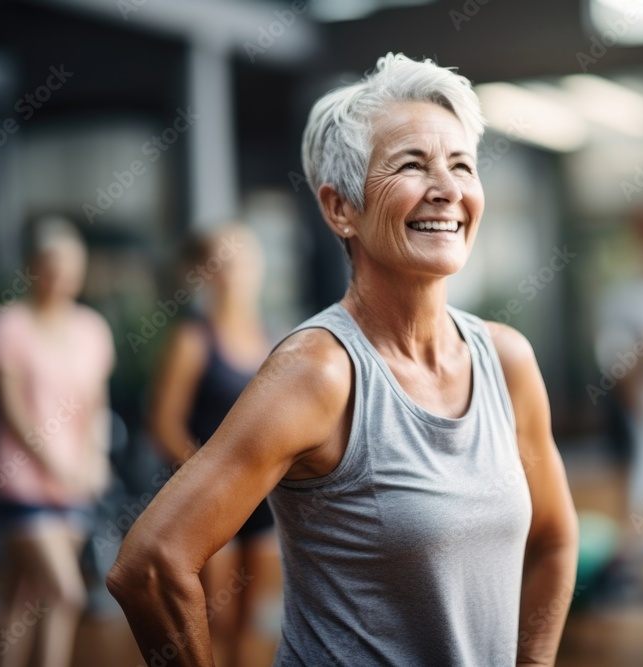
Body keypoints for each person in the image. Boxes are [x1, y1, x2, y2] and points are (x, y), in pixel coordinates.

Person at [107, 53, 579, 666]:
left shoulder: (507, 359)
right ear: (340, 209)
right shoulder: (318, 372)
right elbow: (149, 566)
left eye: (462, 165)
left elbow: (554, 538)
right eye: (413, 164)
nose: (448, 189)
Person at [0, 216, 115, 667]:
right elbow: (12, 409)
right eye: (52, 263)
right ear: (32, 267)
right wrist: (56, 465)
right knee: (67, 591)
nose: (62, 273)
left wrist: (94, 459)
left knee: (24, 596)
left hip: (75, 481)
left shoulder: (92, 329)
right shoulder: (9, 325)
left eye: (71, 264)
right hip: (21, 479)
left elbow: (97, 404)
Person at [149, 224, 280, 667]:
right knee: (214, 622)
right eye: (222, 262)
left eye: (243, 259)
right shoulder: (192, 339)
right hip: (208, 503)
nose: (235, 271)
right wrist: (213, 480)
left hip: (261, 503)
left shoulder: (275, 340)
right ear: (203, 272)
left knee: (250, 624)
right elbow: (164, 425)